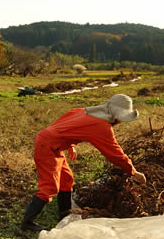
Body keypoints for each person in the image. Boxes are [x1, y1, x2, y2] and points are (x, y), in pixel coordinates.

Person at [21, 93, 147, 231]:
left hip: (52, 144)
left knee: (67, 180)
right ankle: (28, 223)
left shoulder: (83, 111)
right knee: (50, 186)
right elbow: (115, 153)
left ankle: (64, 217)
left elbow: (62, 126)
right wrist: (133, 172)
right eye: (120, 119)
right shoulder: (101, 125)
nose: (119, 122)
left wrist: (70, 145)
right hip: (48, 146)